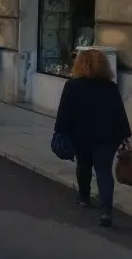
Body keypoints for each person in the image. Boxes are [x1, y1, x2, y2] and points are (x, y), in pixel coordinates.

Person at [54, 49, 132, 227]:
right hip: (108, 137)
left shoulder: (72, 86)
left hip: (81, 136)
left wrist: (60, 131)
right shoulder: (110, 87)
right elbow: (119, 112)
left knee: (83, 166)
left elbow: (64, 112)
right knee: (104, 171)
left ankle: (84, 197)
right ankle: (106, 211)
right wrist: (126, 135)